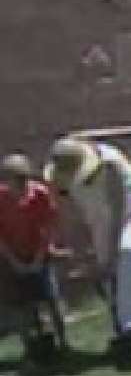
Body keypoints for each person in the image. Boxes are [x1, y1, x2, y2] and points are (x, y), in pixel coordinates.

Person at [45, 138, 131, 361]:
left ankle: (129, 328)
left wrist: (111, 252)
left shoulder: (109, 163)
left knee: (126, 252)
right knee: (107, 275)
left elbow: (117, 210)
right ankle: (121, 332)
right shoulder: (64, 177)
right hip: (102, 220)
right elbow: (82, 216)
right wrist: (92, 255)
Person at [0, 154, 66, 363]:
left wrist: (38, 259)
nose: (20, 184)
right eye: (15, 179)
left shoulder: (40, 194)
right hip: (11, 255)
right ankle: (29, 345)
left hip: (39, 252)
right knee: (19, 304)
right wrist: (15, 262)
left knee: (51, 298)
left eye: (23, 178)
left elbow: (47, 229)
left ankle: (63, 343)